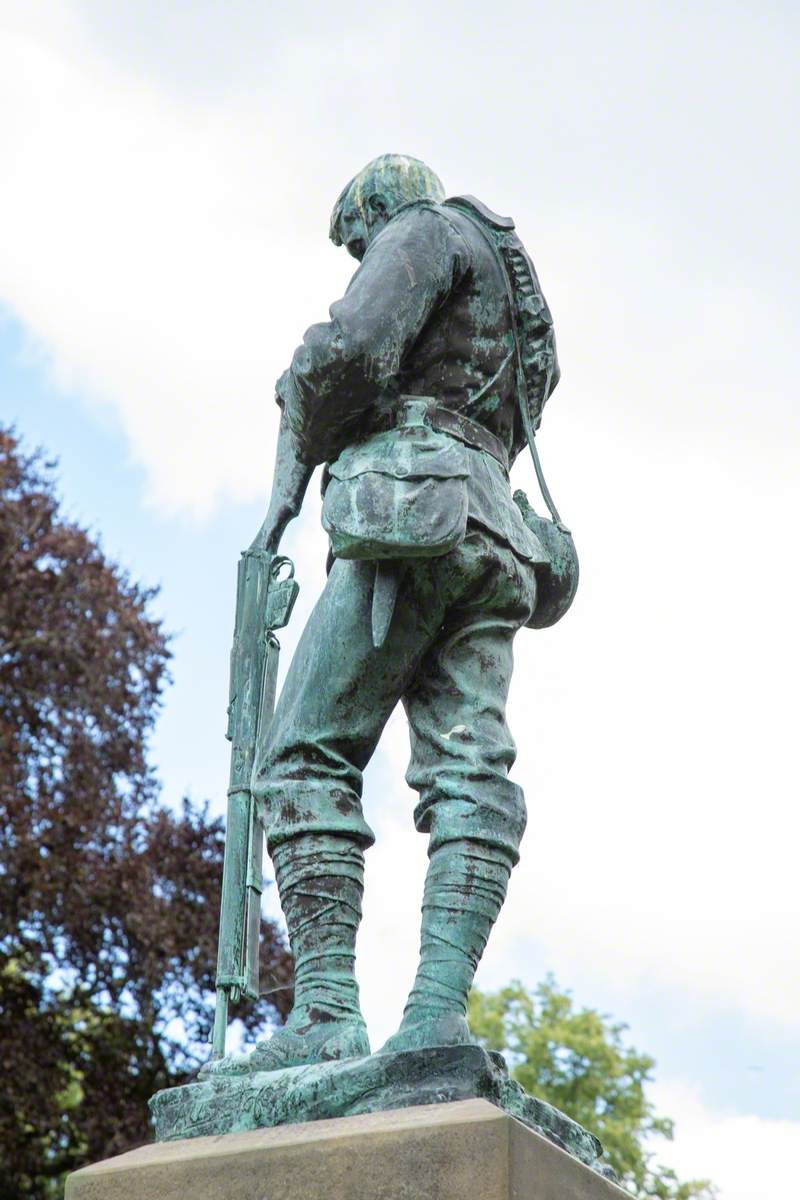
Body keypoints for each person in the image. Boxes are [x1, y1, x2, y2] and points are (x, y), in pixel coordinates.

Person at [204, 153, 559, 1076]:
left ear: (377, 211)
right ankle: (437, 1014)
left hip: (410, 517)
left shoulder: (425, 229)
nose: (363, 257)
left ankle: (324, 1009)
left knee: (301, 755)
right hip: (493, 539)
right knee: (471, 769)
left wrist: (295, 430)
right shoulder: (519, 292)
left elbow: (345, 351)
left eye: (359, 241)